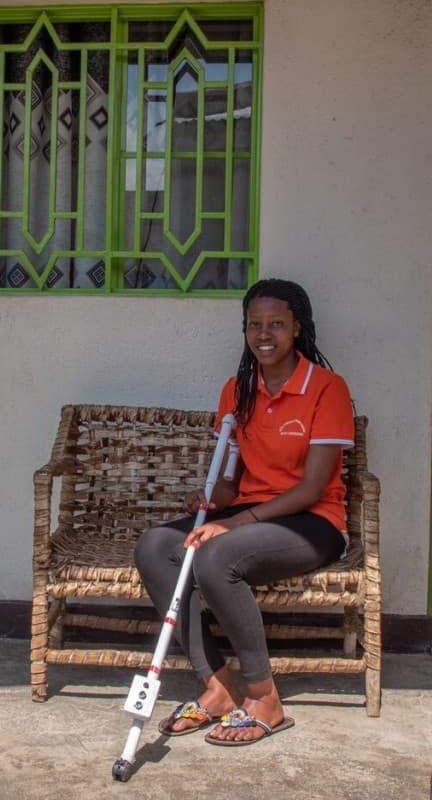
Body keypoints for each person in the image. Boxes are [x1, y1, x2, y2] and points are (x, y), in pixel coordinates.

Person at [134, 278, 354, 746]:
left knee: (217, 555)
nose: (264, 334)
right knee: (156, 545)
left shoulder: (327, 389)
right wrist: (216, 500)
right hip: (253, 514)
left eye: (276, 323)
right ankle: (219, 687)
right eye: (255, 324)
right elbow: (235, 482)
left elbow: (312, 487)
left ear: (298, 328)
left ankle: (265, 699)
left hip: (314, 522)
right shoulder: (238, 390)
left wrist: (233, 523)